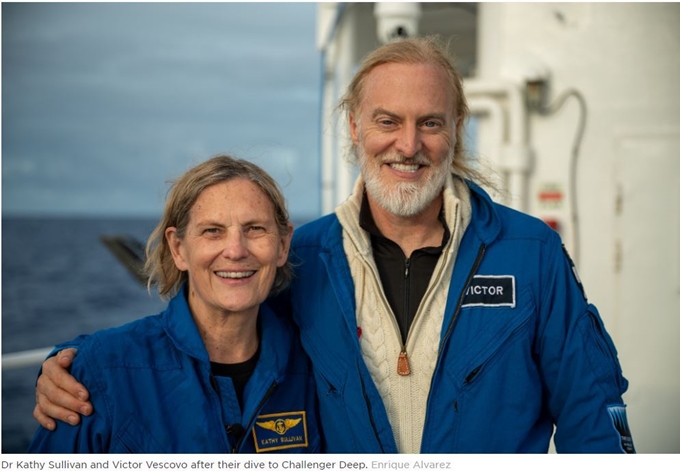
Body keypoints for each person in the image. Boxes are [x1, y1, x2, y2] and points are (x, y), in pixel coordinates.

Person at [33, 36, 633, 453]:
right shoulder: (305, 258)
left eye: (430, 122)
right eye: (387, 121)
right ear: (354, 126)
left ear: (456, 128)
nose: (409, 144)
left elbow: (591, 405)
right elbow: (211, 329)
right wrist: (77, 364)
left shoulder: (529, 253)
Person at [28, 155, 321, 453]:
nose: (235, 250)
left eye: (255, 228)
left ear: (283, 245)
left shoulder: (319, 366)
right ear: (178, 248)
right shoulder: (100, 372)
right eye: (212, 231)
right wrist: (77, 365)